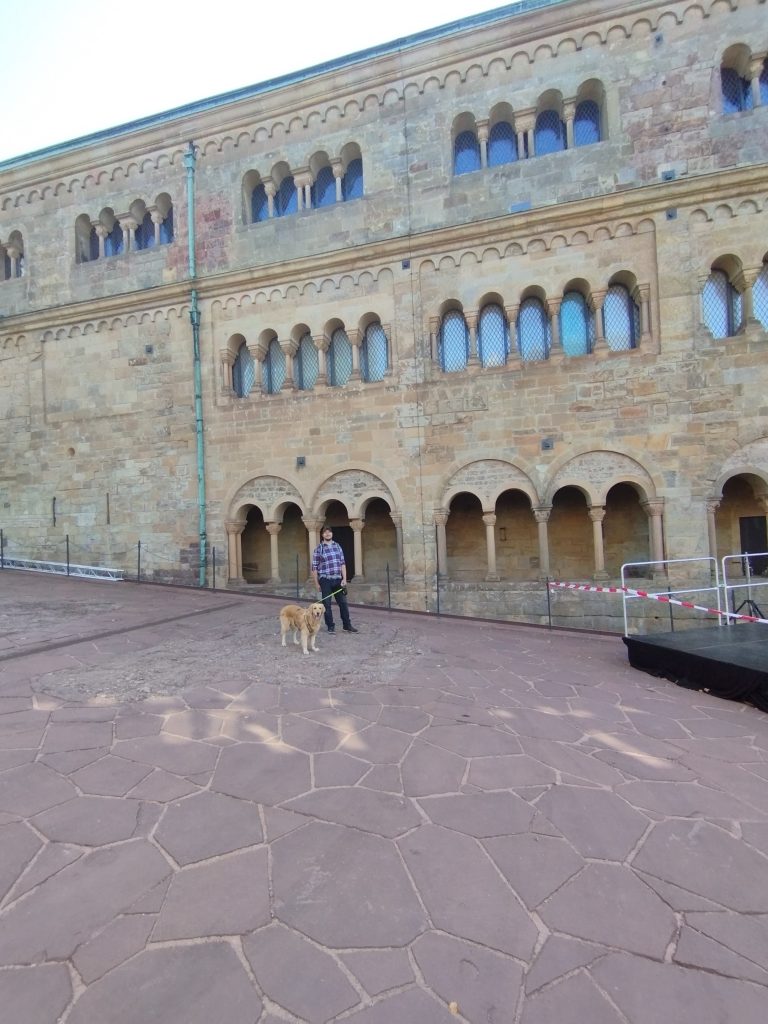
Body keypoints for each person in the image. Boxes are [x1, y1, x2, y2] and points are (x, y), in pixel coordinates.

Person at [311, 526, 358, 633]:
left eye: (329, 532)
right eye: (325, 532)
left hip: (338, 579)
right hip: (325, 579)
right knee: (326, 605)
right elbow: (314, 567)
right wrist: (317, 584)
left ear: (332, 534)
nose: (327, 534)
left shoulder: (337, 546)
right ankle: (330, 626)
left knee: (343, 603)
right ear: (322, 535)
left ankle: (347, 625)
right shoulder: (319, 549)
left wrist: (344, 579)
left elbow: (342, 563)